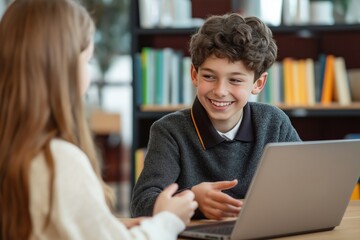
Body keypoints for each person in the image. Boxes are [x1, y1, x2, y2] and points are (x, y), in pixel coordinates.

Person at [0, 0, 197, 239]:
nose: (90, 74)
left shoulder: (15, 150)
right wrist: (169, 219)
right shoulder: (57, 160)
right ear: (63, 68)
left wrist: (110, 227)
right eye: (88, 60)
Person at [131, 13, 301, 220]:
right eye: (209, 77)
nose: (220, 91)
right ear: (194, 74)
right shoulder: (169, 131)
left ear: (258, 84)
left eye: (235, 80)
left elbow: (304, 186)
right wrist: (192, 198)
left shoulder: (274, 123)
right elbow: (141, 204)